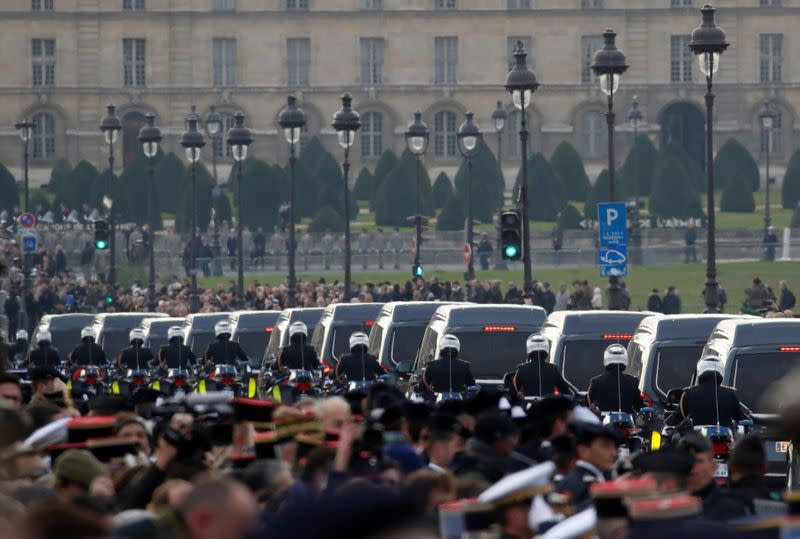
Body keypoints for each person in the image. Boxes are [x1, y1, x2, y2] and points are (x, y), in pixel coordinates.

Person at [677, 432, 749, 522]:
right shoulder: (664, 509)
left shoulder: (733, 509)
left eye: (699, 462)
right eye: (687, 461)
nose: (693, 470)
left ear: (713, 466)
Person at [556, 421, 619, 508]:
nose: (614, 453)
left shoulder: (588, 479)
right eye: (605, 446)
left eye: (614, 447)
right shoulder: (583, 486)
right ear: (583, 450)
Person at [679, 356, 749, 428]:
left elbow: (675, 419)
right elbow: (741, 418)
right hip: (726, 436)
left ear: (700, 371)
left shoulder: (689, 393)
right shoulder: (729, 394)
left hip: (698, 437)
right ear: (721, 371)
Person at [587, 344, 644, 413]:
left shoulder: (596, 382)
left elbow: (587, 403)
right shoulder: (632, 382)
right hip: (628, 421)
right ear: (625, 359)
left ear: (606, 359)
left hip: (602, 421)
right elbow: (639, 405)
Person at [513, 333, 572, 398]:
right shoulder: (553, 369)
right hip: (547, 405)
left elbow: (514, 391)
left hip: (528, 406)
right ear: (546, 351)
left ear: (529, 351)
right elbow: (565, 391)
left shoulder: (522, 369)